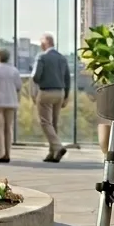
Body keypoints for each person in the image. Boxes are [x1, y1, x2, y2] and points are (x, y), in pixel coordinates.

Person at [30, 33, 70, 162]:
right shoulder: (62, 58)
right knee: (53, 123)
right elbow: (67, 78)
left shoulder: (42, 57)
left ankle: (58, 147)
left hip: (46, 92)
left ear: (44, 43)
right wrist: (66, 96)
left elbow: (36, 76)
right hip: (60, 93)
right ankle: (52, 153)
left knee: (45, 122)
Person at [0, 48, 23, 163]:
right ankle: (8, 153)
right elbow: (19, 86)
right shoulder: (14, 71)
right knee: (8, 128)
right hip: (10, 102)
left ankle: (1, 154)